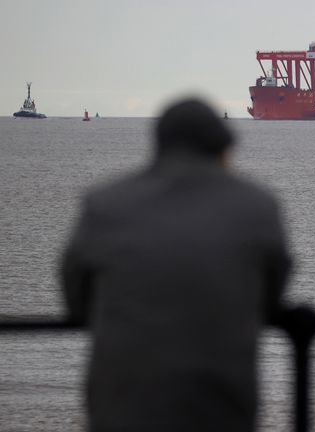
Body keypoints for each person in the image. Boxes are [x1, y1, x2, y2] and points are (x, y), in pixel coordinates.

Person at [60, 98, 291, 432]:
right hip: (222, 409)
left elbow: (77, 301)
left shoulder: (103, 204)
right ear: (224, 150)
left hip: (120, 409)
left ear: (157, 144)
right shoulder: (258, 205)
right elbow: (271, 298)